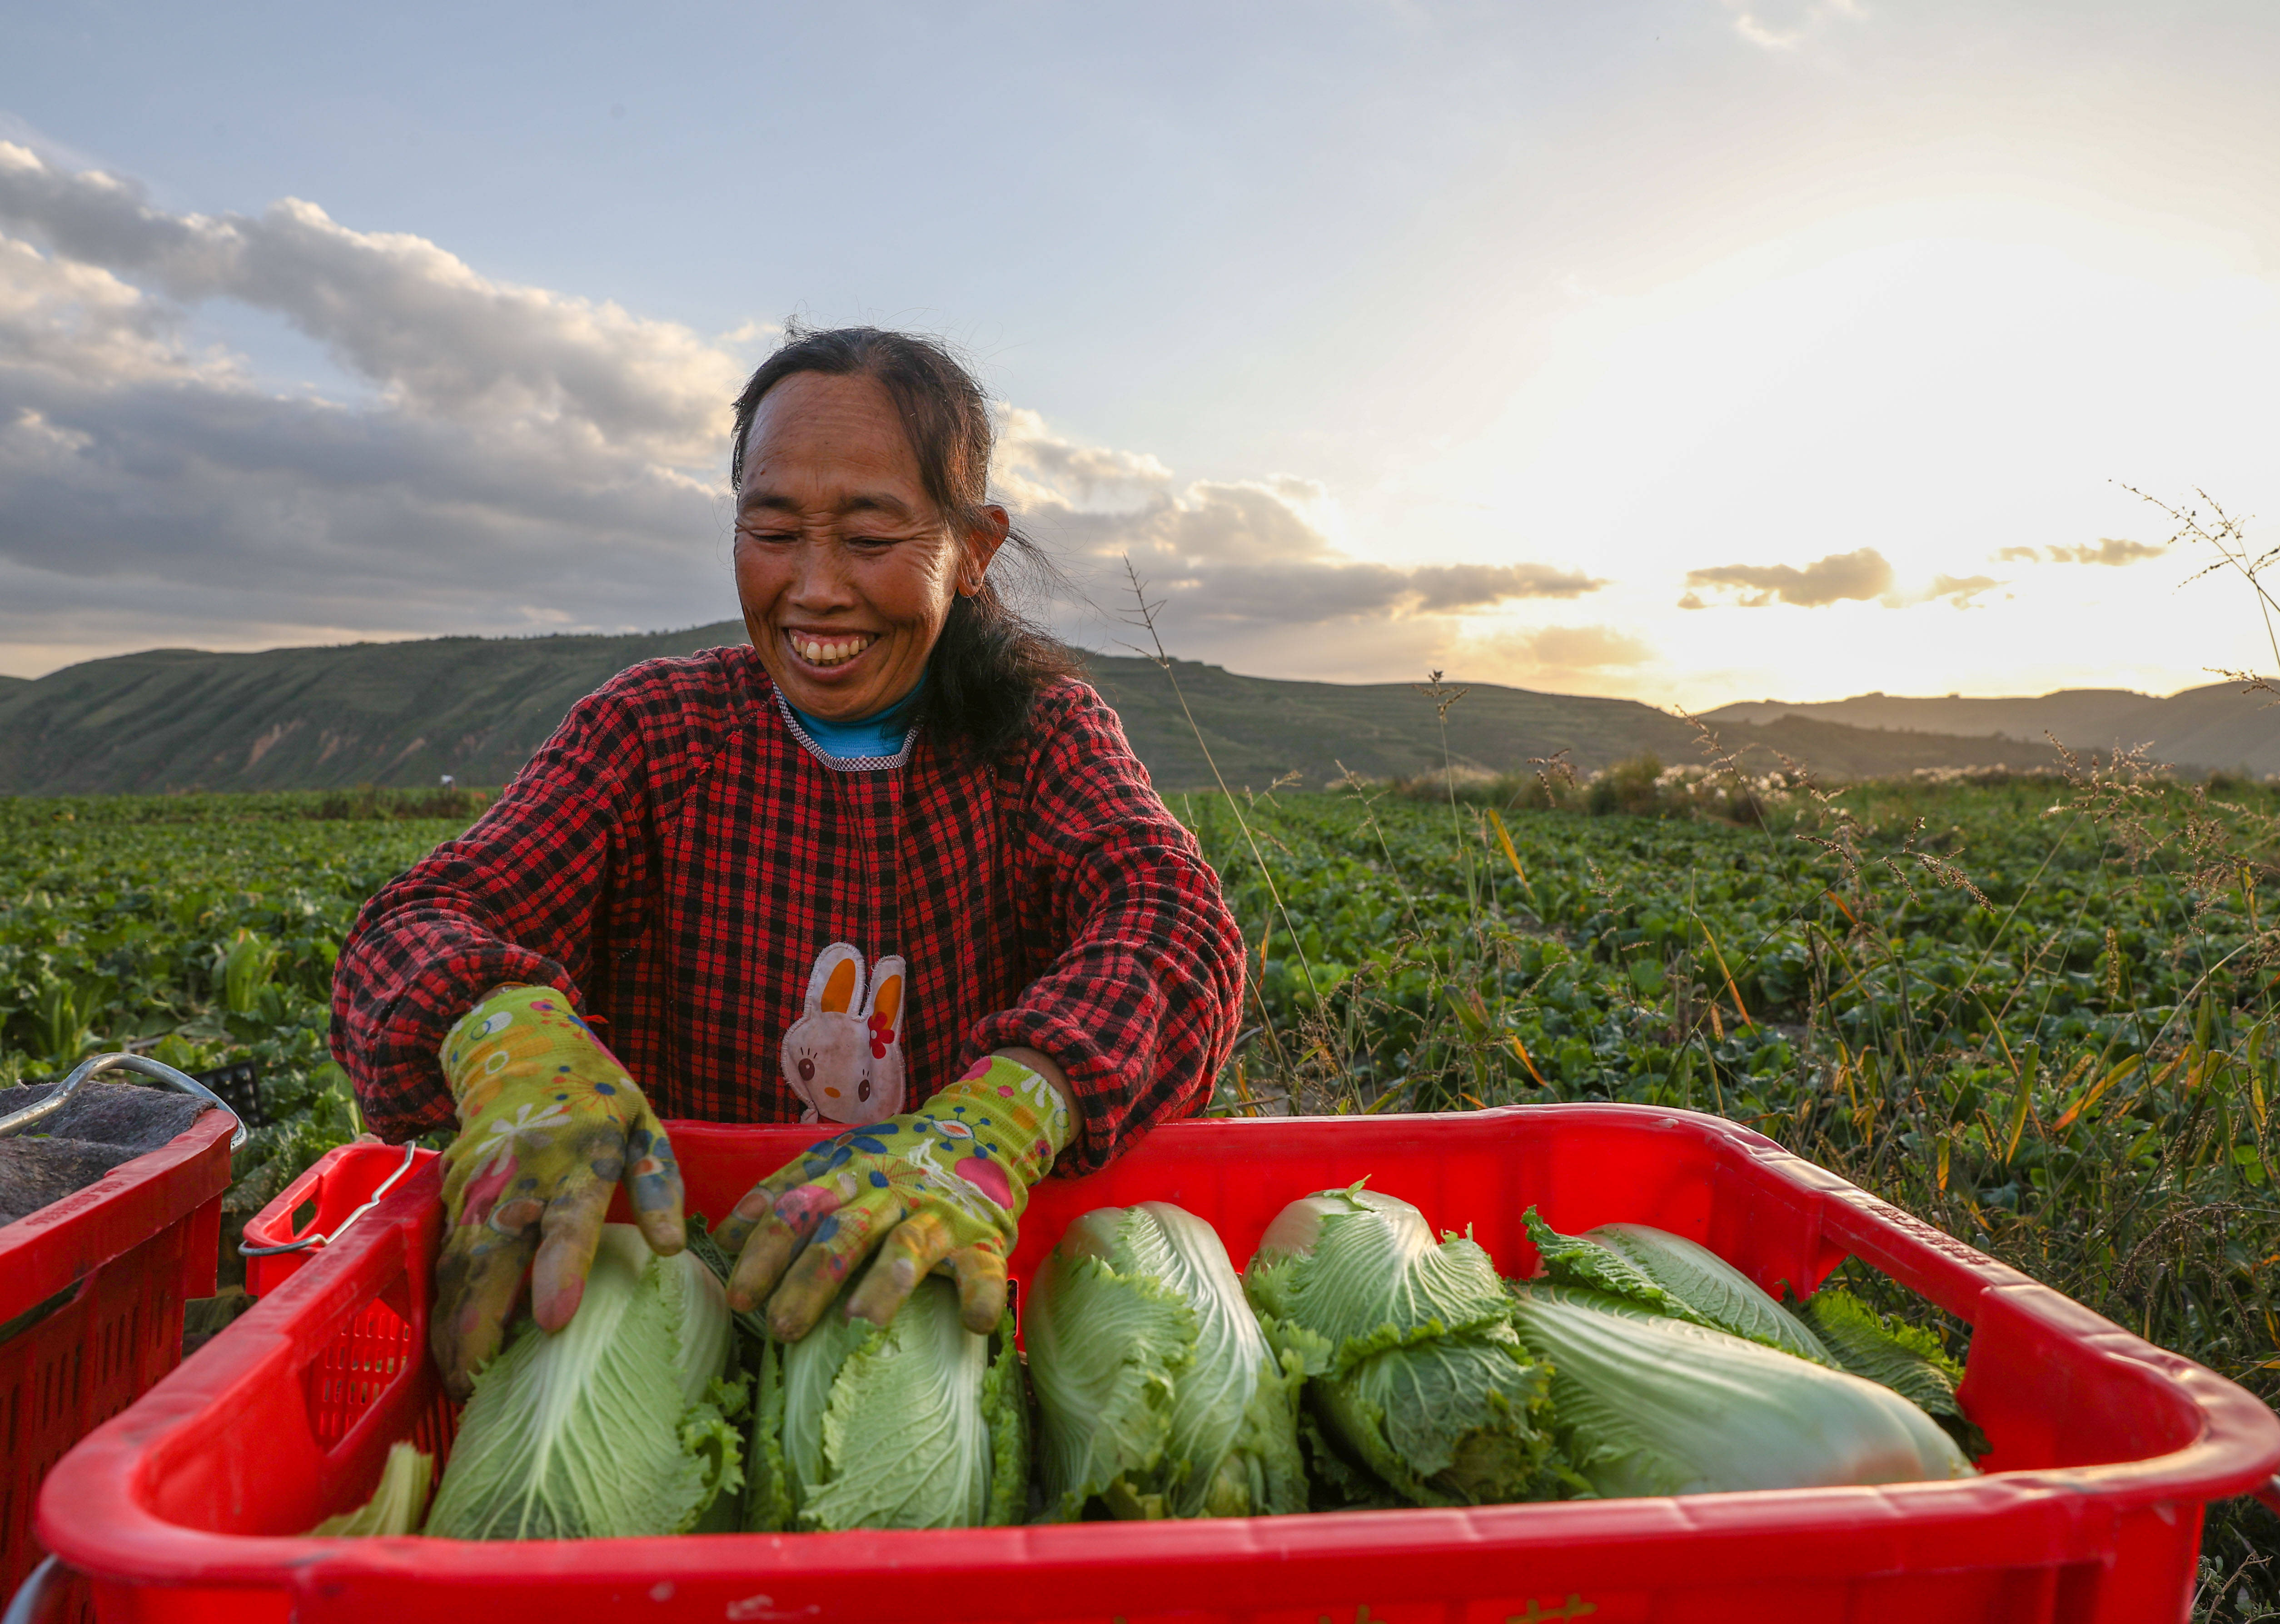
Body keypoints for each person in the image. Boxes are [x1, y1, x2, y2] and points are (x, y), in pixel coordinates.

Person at [331, 326, 1246, 1397]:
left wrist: (1000, 1119)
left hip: (939, 1320)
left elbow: (1173, 922)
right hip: (665, 1314)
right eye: (771, 530)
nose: (812, 589)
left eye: (868, 539)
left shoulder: (1039, 738)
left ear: (975, 548)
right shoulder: (653, 736)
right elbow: (412, 927)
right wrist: (503, 1035)